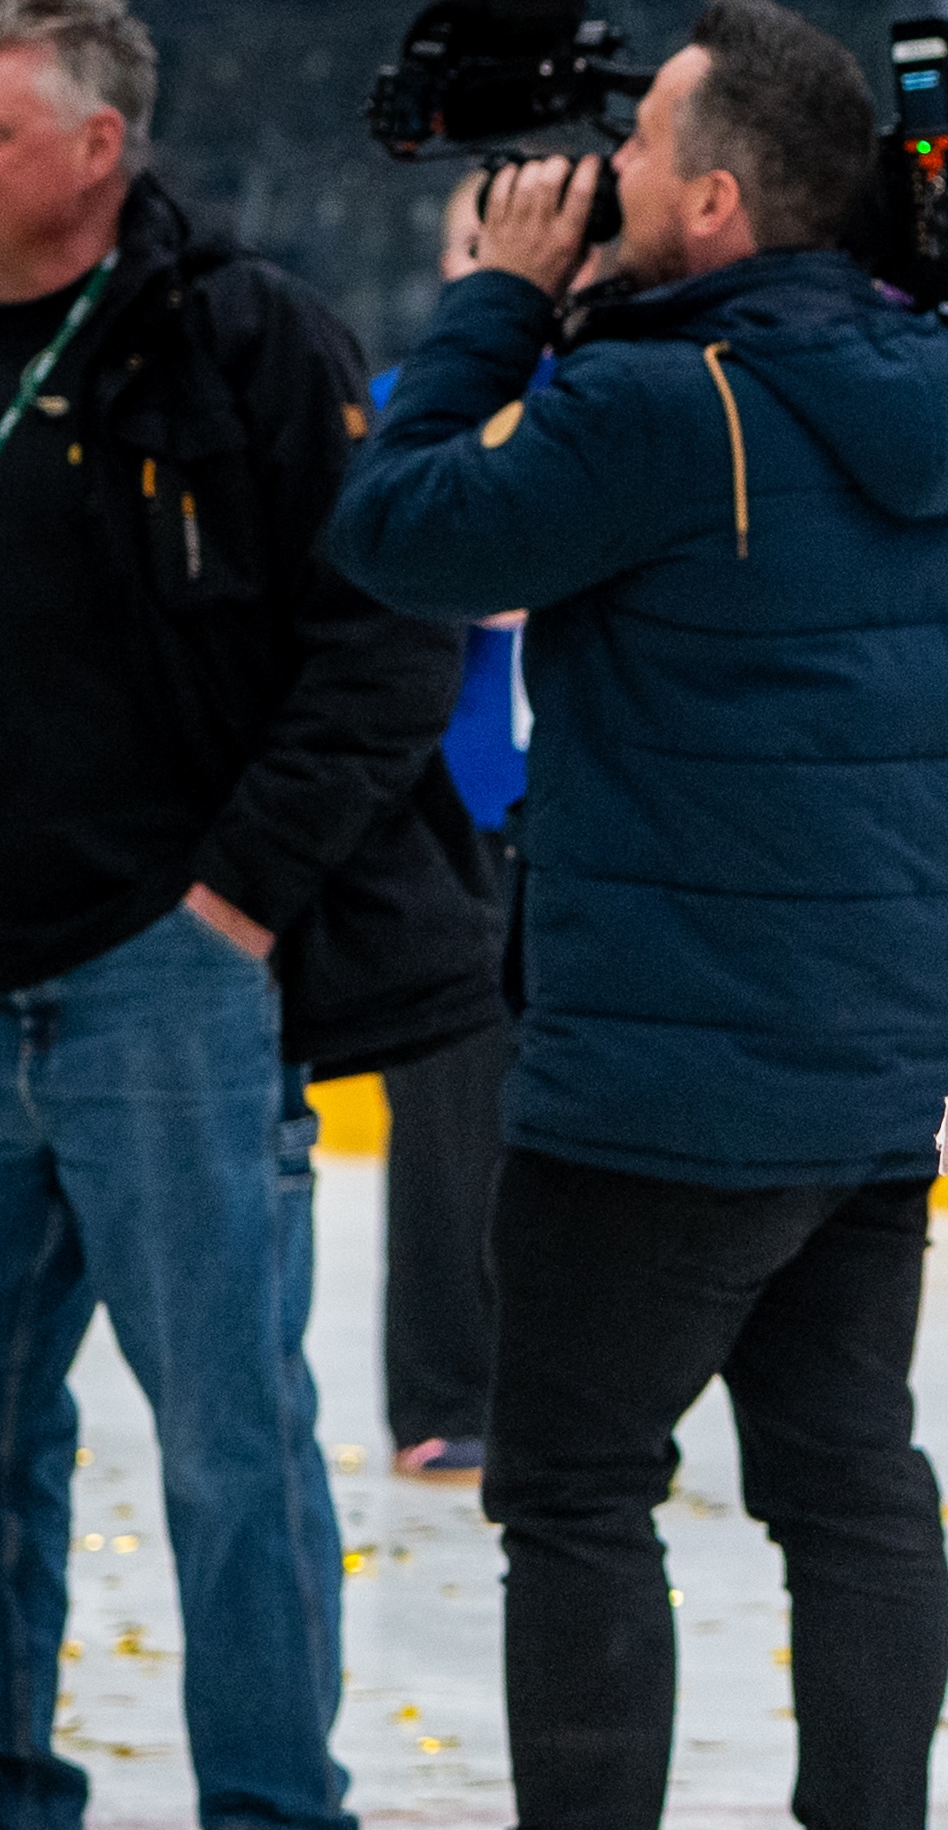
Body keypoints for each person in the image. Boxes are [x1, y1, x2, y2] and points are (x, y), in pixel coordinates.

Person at [298, 0, 948, 1830]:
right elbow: (756, 379)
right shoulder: (945, 391)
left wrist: (495, 308)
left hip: (661, 1069)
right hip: (870, 1056)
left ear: (705, 195)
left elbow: (396, 533)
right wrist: (594, 314)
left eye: (638, 155)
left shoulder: (652, 407)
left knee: (577, 1494)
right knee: (850, 1486)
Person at [0, 0, 488, 1830]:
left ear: (96, 150)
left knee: (224, 1425)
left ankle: (283, 1825)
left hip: (169, 975)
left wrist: (236, 902)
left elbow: (391, 638)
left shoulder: (252, 341)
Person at [371, 170, 534, 1491]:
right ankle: (440, 1387)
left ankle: (561, 1384)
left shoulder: (621, 403)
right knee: (447, 1121)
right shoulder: (407, 413)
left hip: (595, 801)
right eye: (478, 241)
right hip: (454, 803)